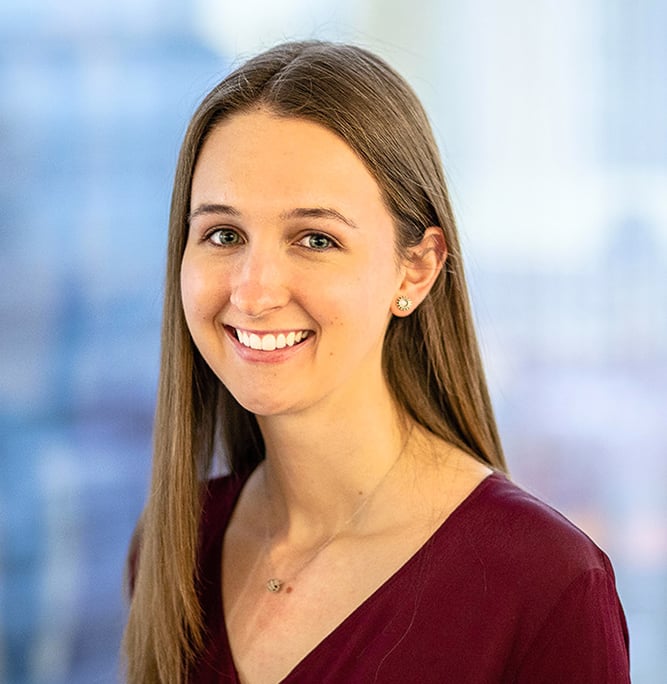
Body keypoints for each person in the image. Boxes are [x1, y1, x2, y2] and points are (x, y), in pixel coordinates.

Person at [123, 41, 630, 683]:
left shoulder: (546, 583)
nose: (252, 291)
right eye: (224, 235)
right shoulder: (172, 548)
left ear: (416, 269)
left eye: (315, 239)